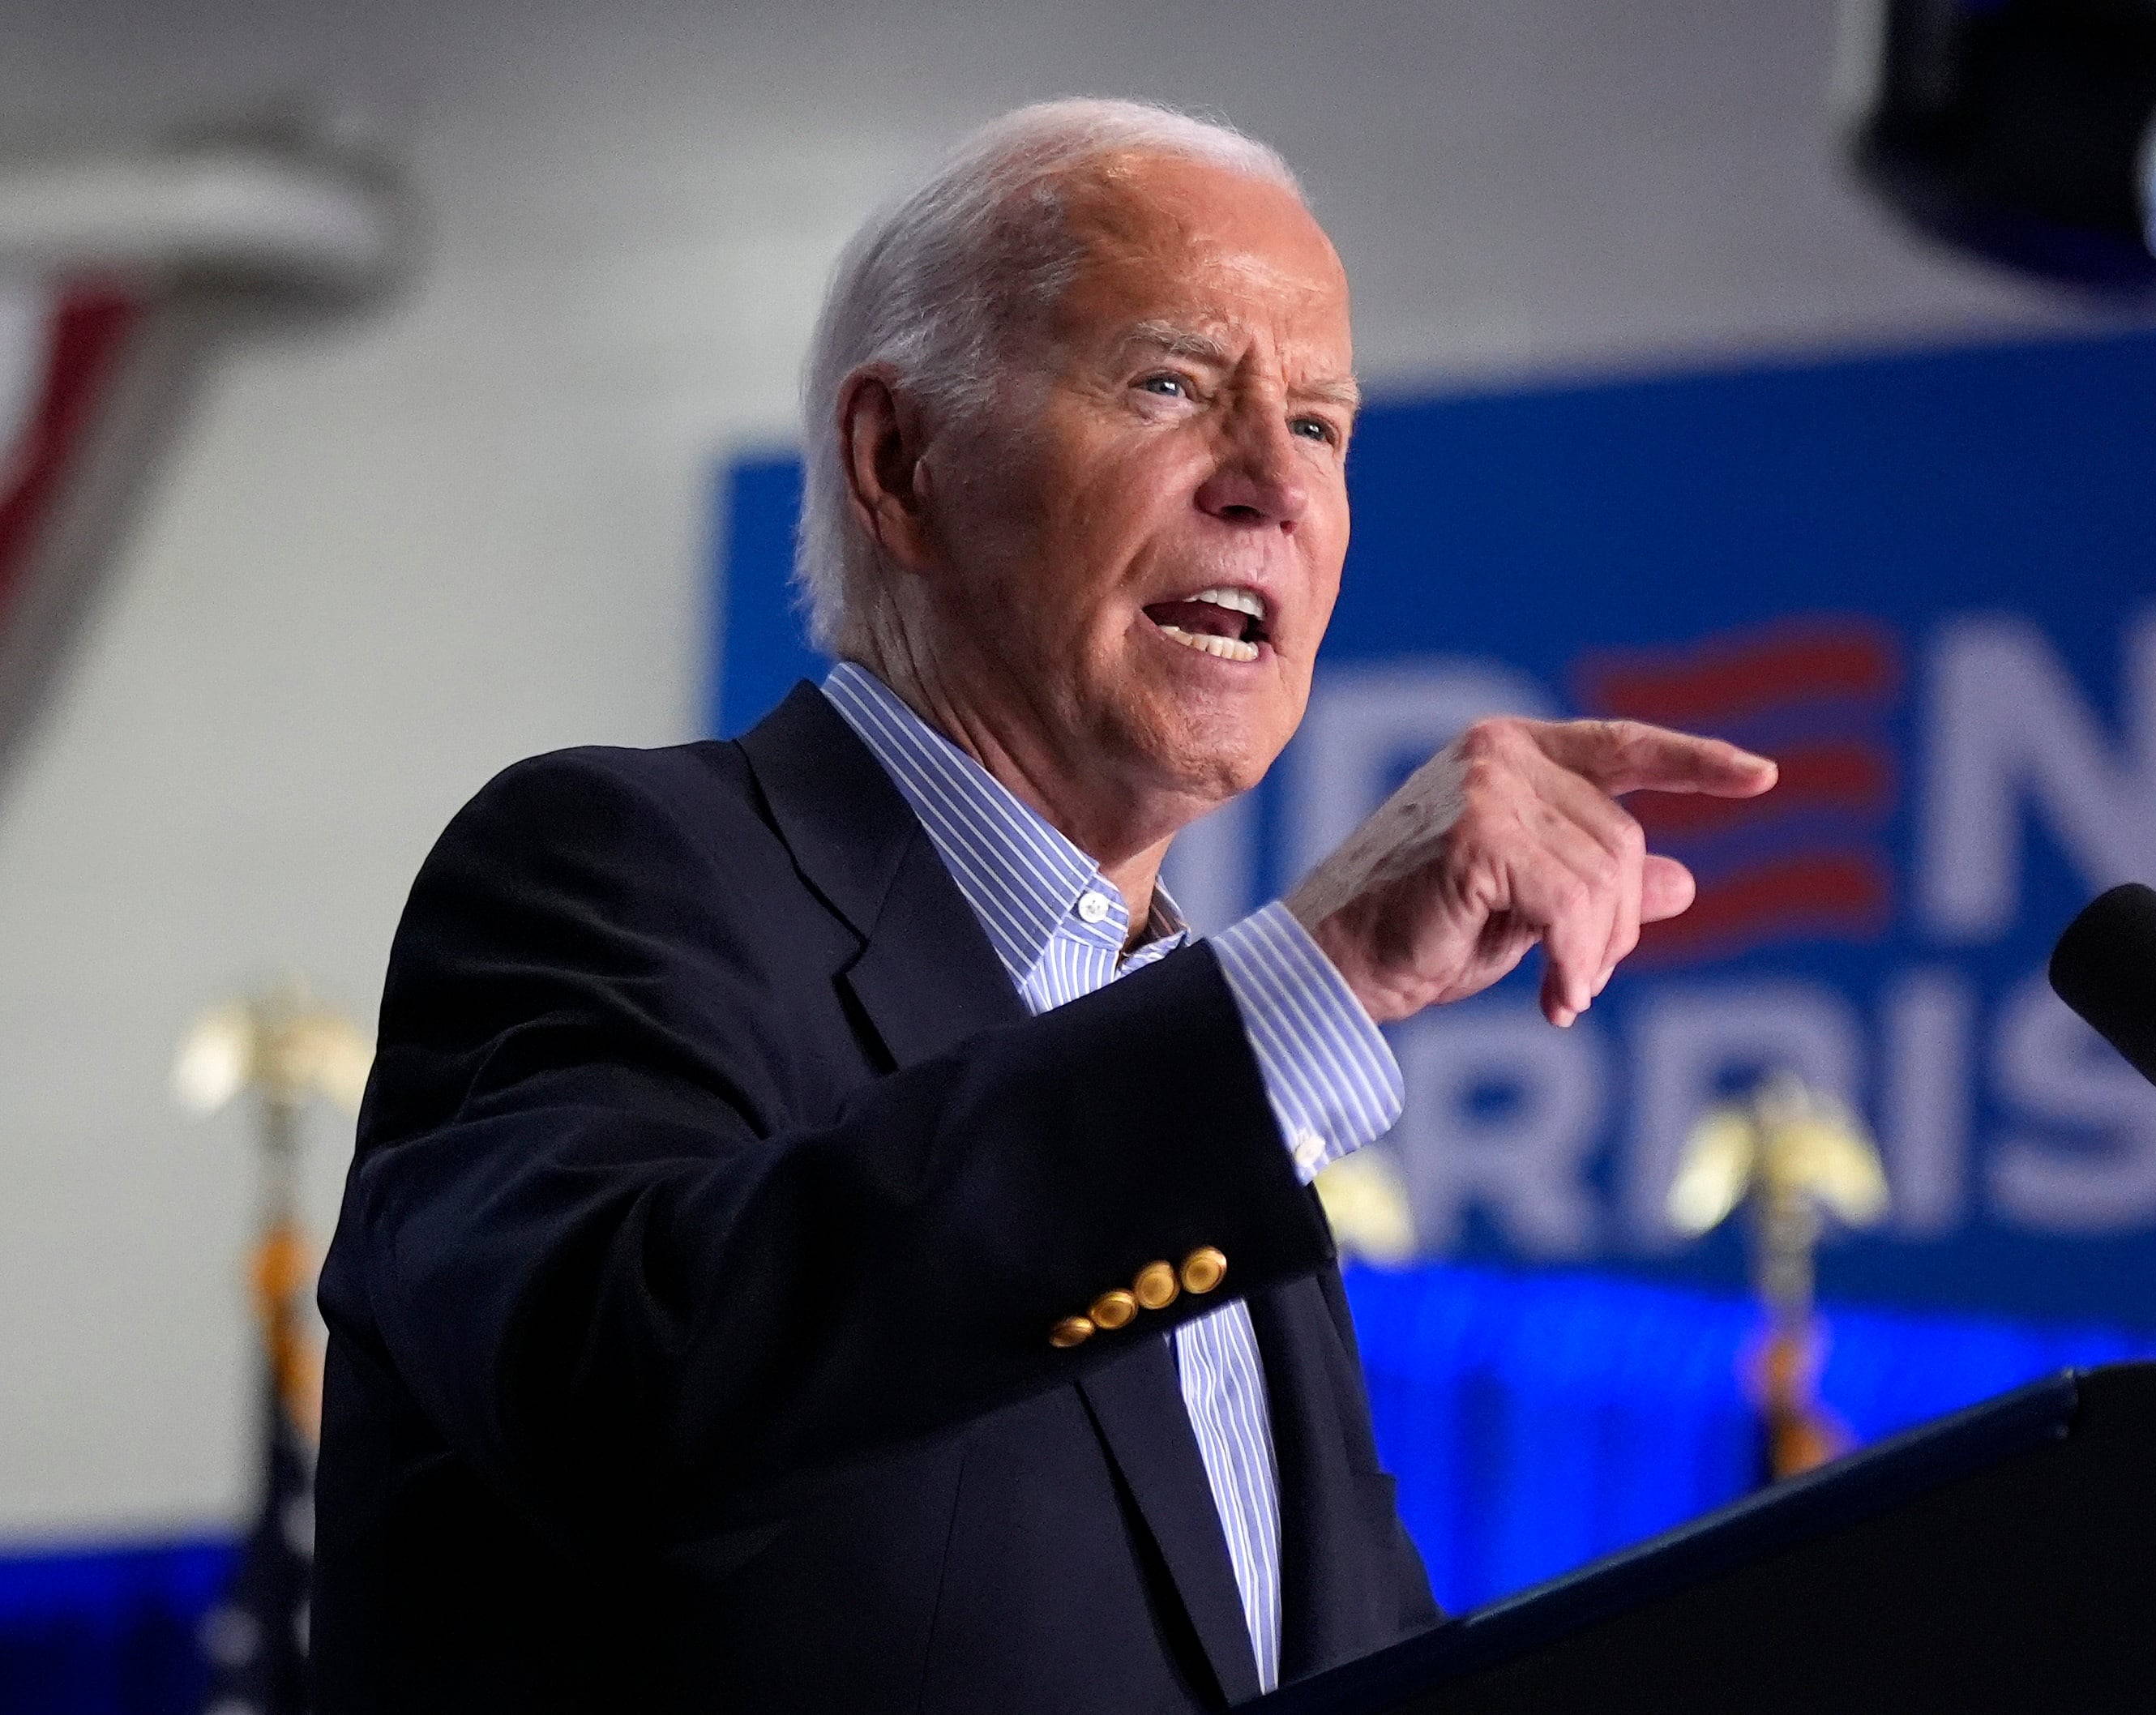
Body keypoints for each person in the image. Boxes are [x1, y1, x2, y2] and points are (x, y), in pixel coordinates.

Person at [311, 98, 1777, 1714]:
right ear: (899, 463)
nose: (1272, 485)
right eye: (1170, 385)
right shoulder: (614, 870)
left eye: (1319, 425)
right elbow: (622, 1395)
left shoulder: (1202, 1104)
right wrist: (1314, 977)